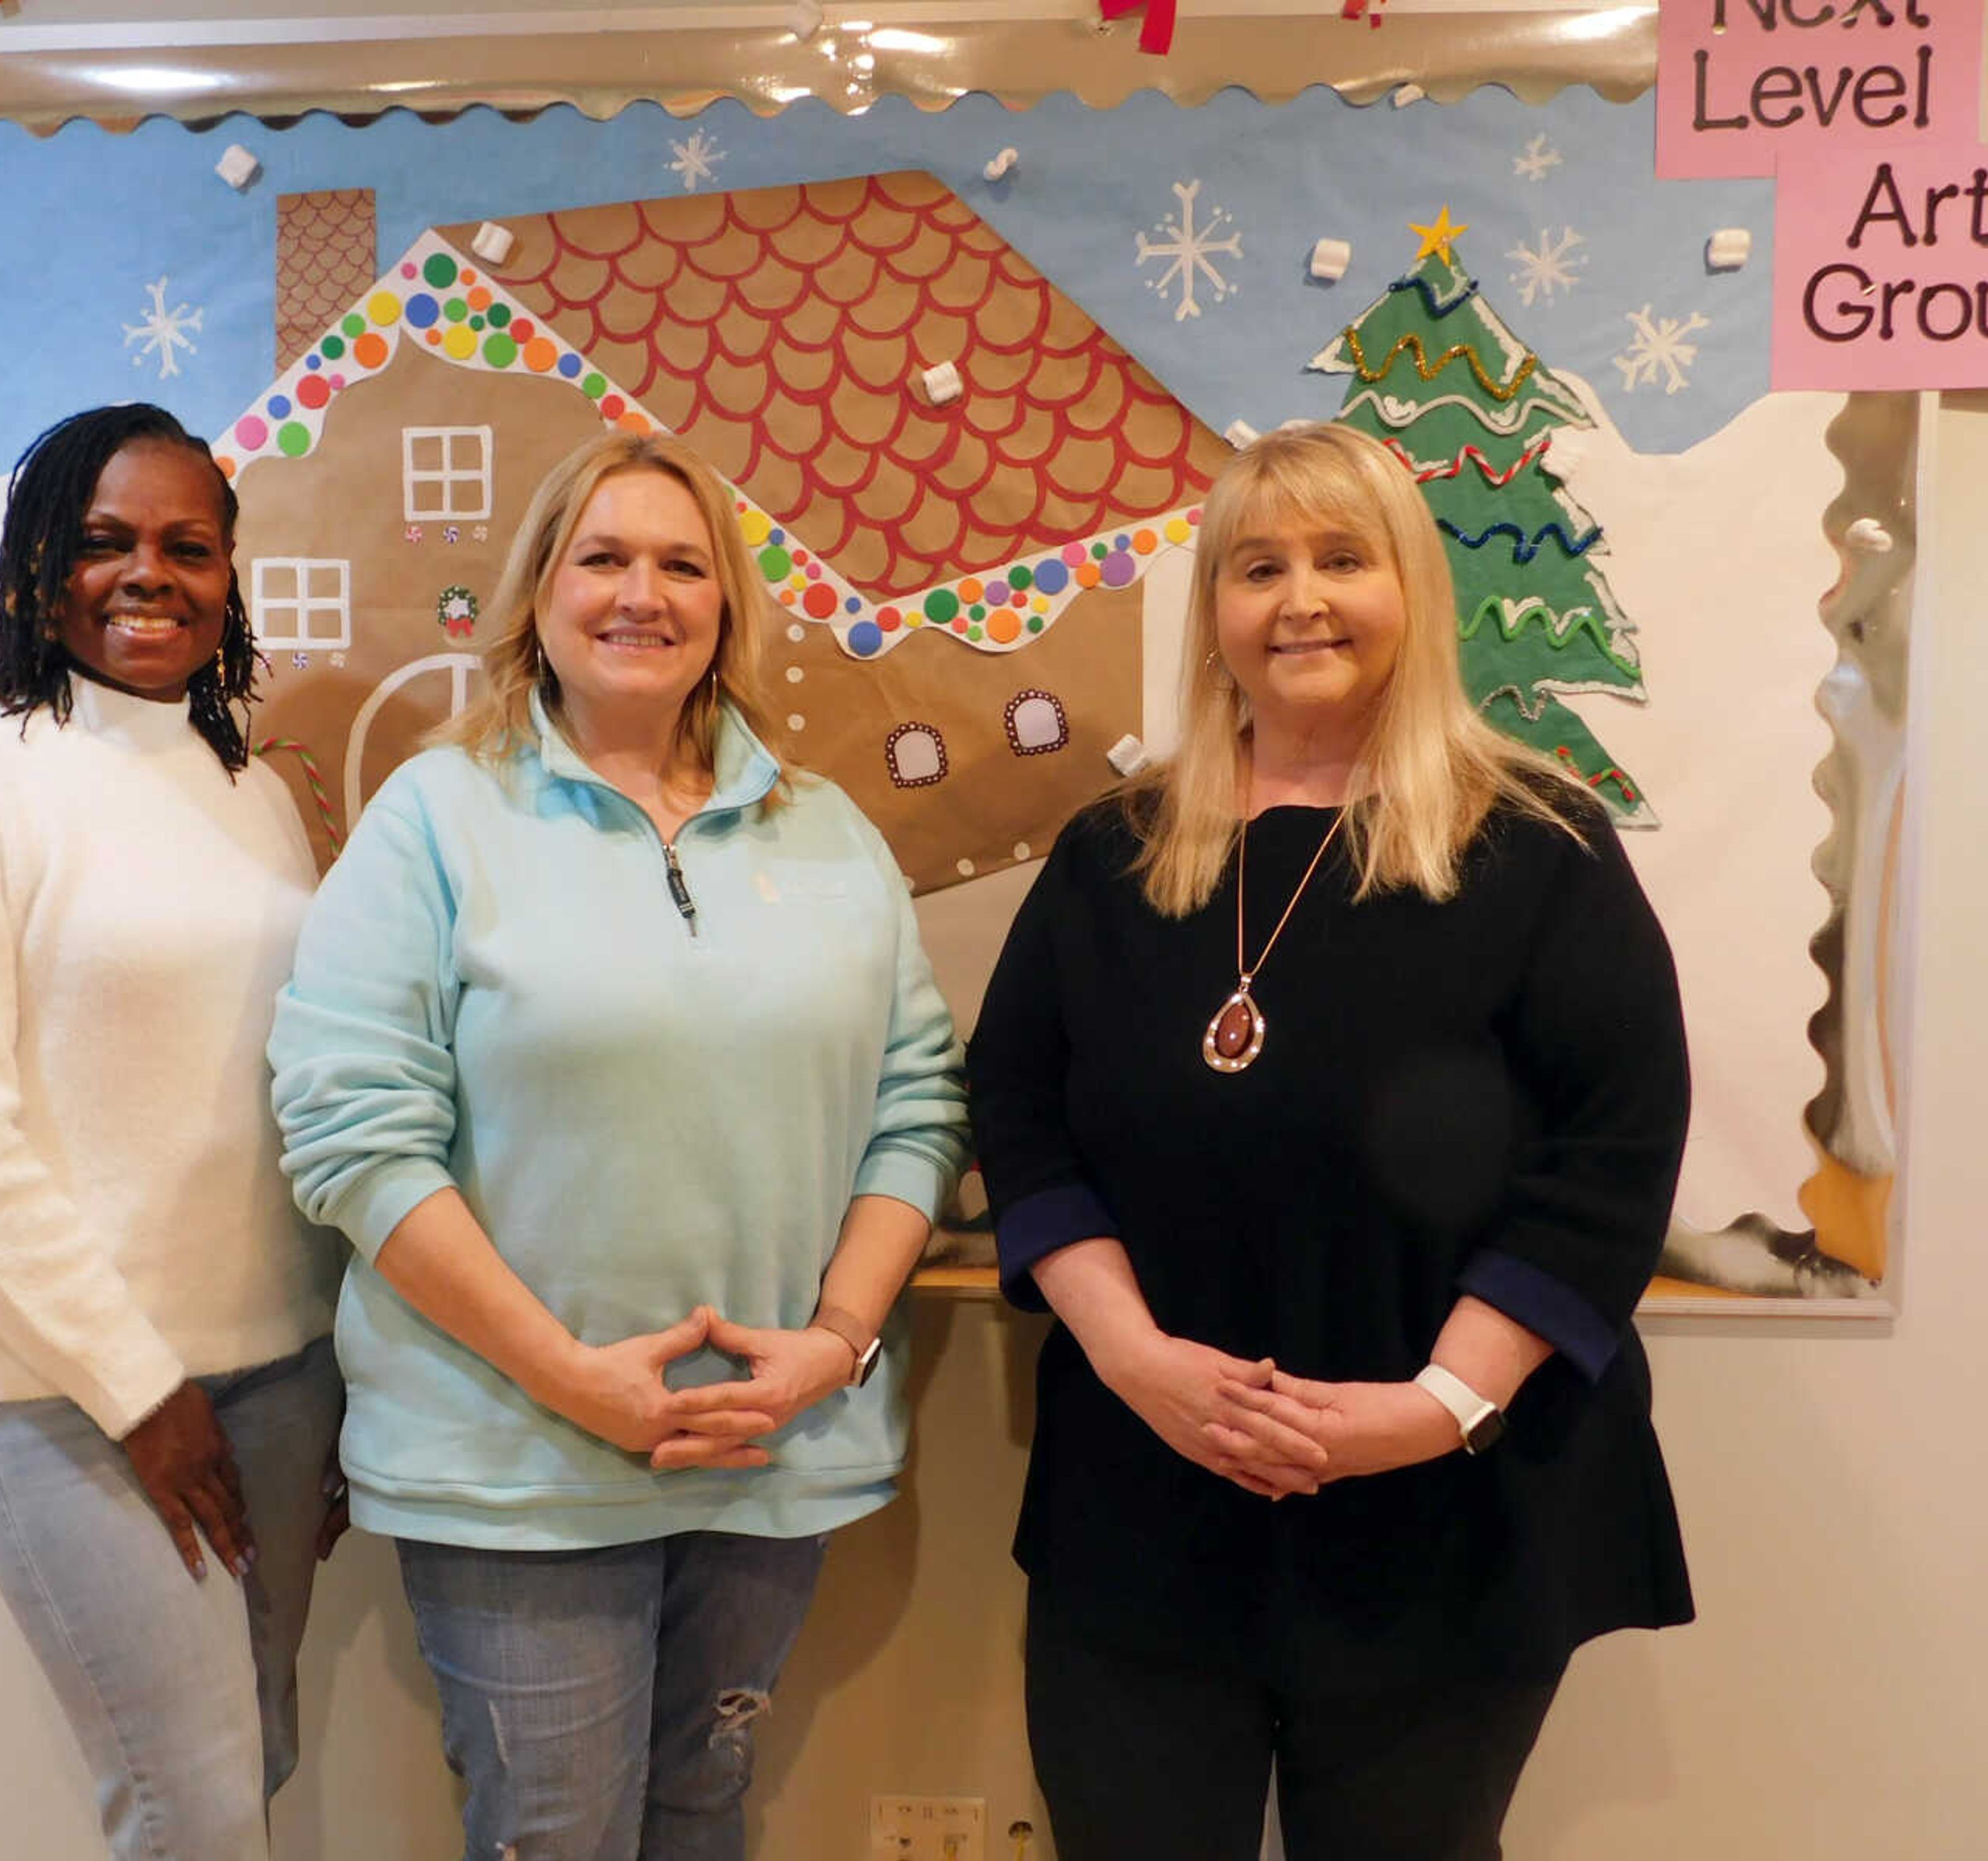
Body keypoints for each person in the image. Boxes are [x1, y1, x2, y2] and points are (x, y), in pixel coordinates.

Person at [968, 421, 1693, 1861]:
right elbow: (1021, 1117)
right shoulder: (1110, 857)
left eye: (1342, 559)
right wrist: (1132, 1361)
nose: (1299, 599)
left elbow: (1613, 1162)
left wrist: (1431, 1409)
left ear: (1411, 591)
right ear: (1216, 615)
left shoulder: (1539, 844)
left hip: (1451, 1507)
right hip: (1150, 1494)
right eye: (1259, 567)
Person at [268, 430, 967, 1861]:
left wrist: (834, 1346)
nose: (640, 593)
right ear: (539, 592)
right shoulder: (437, 819)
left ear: (726, 607)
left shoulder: (825, 831)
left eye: (680, 564)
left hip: (769, 1452)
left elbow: (917, 1107)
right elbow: (354, 1132)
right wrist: (572, 1381)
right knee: (558, 1836)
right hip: (516, 1459)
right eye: (603, 557)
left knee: (704, 1817)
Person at [0, 403, 342, 1861]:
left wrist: (339, 1367)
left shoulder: (255, 793)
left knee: (257, 1765)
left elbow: (290, 1093)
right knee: (189, 1805)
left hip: (280, 1381)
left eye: (189, 548)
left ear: (230, 576)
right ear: (37, 568)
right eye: (105, 542)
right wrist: (139, 1388)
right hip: (76, 1399)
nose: (150, 576)